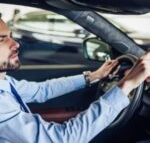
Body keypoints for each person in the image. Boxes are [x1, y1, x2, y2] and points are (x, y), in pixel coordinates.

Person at [0, 18, 150, 143]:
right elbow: (63, 139)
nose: (16, 44)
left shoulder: (4, 82)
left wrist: (94, 76)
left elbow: (41, 90)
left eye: (11, 36)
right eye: (2, 39)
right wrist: (127, 84)